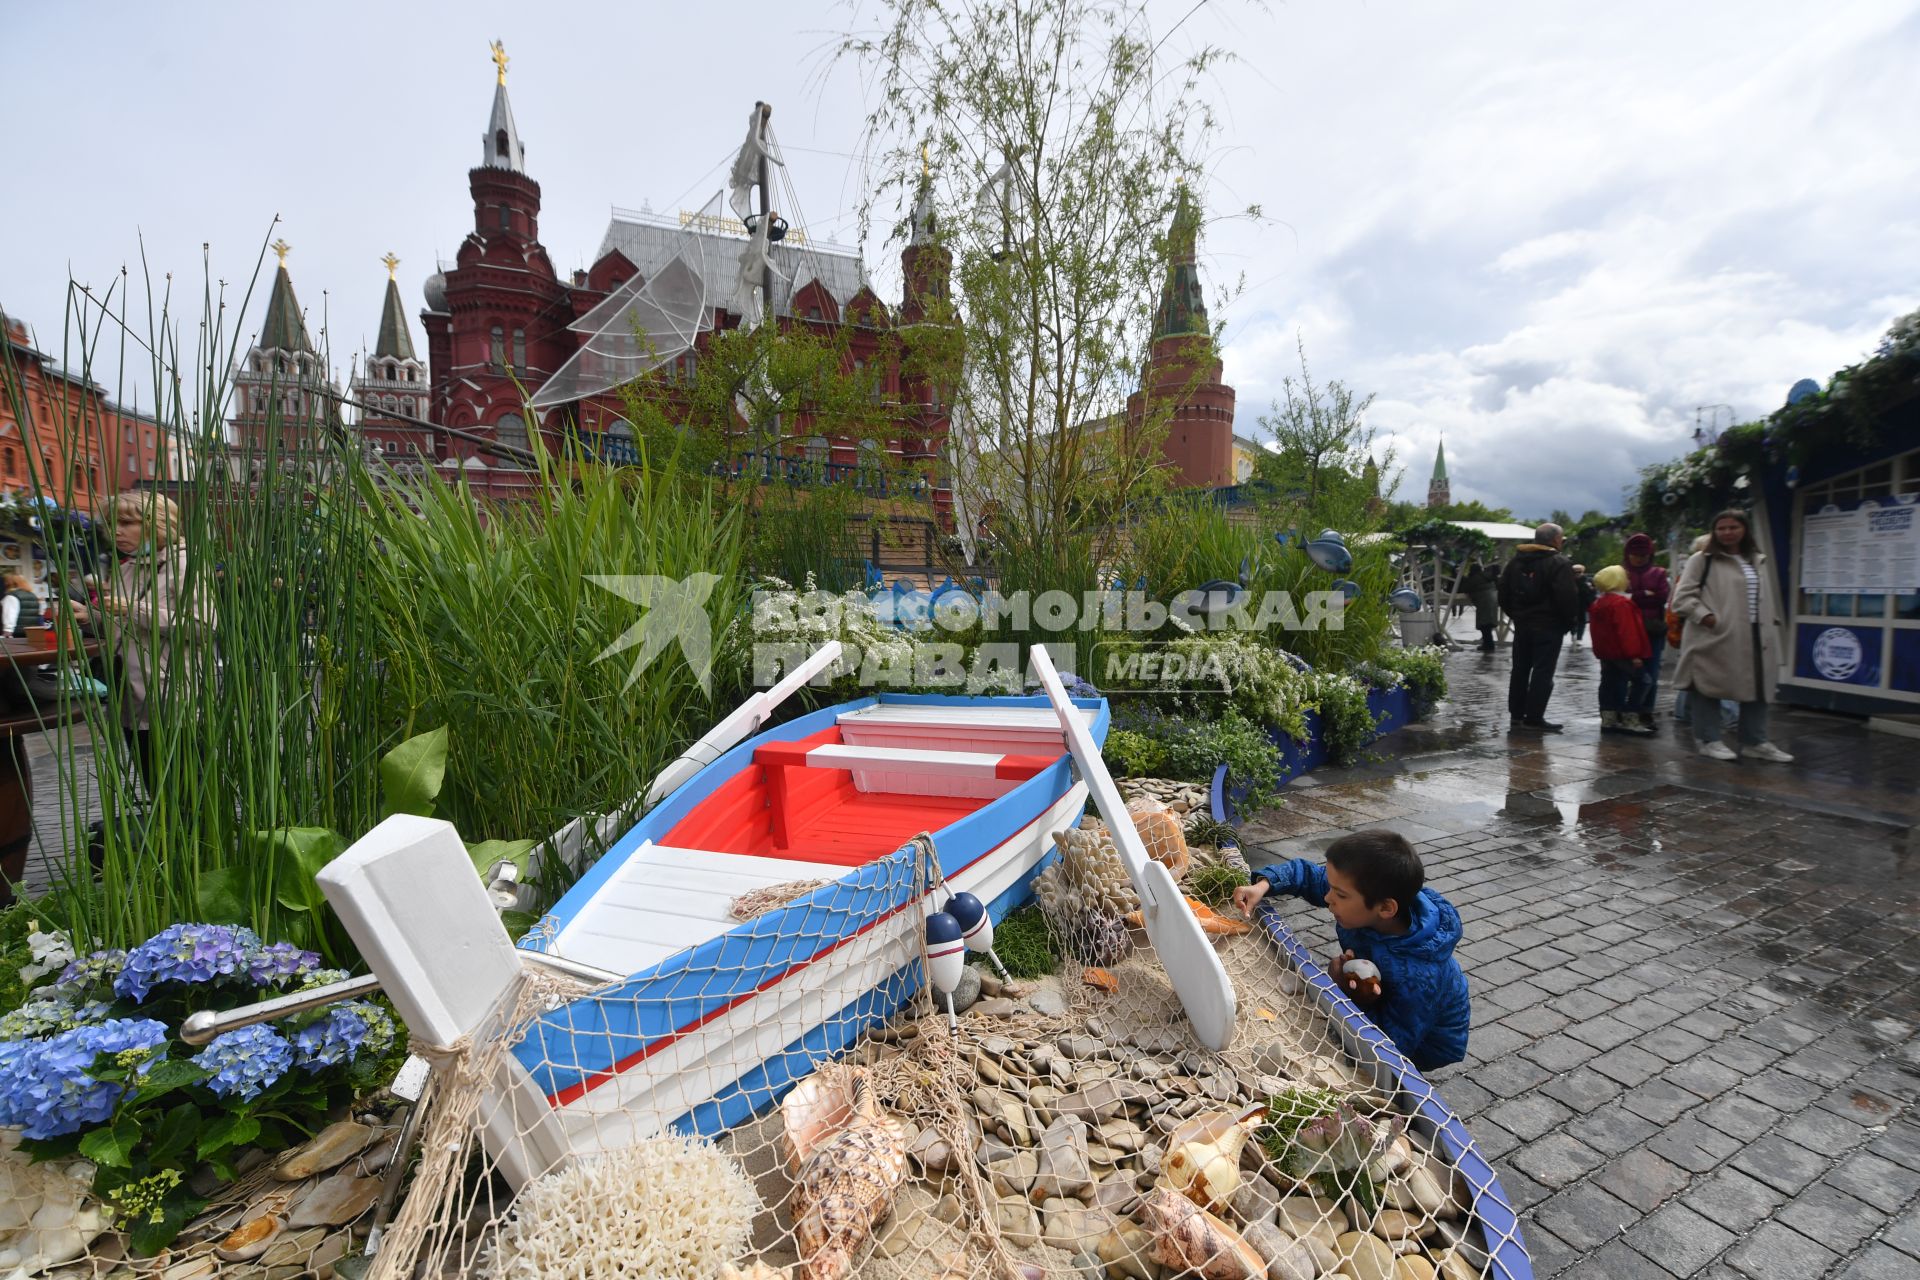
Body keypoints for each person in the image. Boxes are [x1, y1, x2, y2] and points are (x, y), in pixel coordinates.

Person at [1233, 830, 1470, 1071]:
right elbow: (1308, 875)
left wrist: (1349, 994)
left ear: (1386, 908)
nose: (1327, 897)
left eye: (1340, 895)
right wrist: (1264, 885)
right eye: (1331, 888)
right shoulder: (1367, 895)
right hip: (1387, 988)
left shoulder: (1420, 979)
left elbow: (1393, 1048)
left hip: (1428, 1039)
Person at [96, 493, 212, 791]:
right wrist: (88, 617)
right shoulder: (125, 567)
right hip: (129, 697)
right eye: (111, 524)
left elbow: (202, 626)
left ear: (155, 523)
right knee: (154, 785)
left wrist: (133, 609)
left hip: (169, 699)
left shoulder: (185, 565)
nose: (116, 531)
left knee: (183, 790)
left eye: (126, 523)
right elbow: (121, 626)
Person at [1671, 509, 1791, 763]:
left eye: (1733, 527)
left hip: (1756, 636)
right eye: (1721, 528)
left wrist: (1771, 620)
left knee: (1758, 688)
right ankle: (1708, 739)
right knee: (1708, 686)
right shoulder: (1702, 560)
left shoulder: (1756, 560)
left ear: (1745, 529)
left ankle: (1755, 741)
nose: (1727, 533)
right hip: (1716, 635)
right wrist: (1708, 618)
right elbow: (1681, 599)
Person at [1498, 522, 1581, 732]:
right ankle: (1534, 718)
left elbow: (1503, 594)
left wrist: (1516, 615)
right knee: (1543, 672)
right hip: (1549, 626)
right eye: (1561, 539)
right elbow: (1566, 597)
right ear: (1555, 540)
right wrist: (1568, 622)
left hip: (1523, 625)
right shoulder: (1558, 563)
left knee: (1520, 670)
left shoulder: (1515, 562)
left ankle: (1516, 715)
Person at [1589, 566, 1654, 734]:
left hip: (1607, 653)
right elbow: (1627, 632)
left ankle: (1608, 718)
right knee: (1643, 681)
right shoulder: (1622, 604)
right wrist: (1634, 655)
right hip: (1623, 654)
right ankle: (1630, 718)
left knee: (1608, 683)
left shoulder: (1598, 603)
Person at [1623, 533, 1671, 732]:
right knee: (1626, 672)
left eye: (1643, 554)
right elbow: (1621, 598)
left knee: (1651, 671)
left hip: (1652, 630)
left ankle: (1645, 711)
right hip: (1627, 630)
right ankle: (1627, 710)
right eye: (1635, 554)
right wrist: (1644, 594)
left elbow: (1662, 597)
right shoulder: (1622, 572)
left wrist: (1636, 597)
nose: (1639, 558)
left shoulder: (1658, 573)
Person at [1459, 560, 1501, 651]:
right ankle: (1488, 644)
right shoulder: (1487, 576)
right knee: (1488, 624)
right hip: (1493, 600)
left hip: (1483, 601)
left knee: (1485, 625)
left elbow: (1465, 588)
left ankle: (1489, 646)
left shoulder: (1474, 578)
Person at [1567, 564, 1597, 646]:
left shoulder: (1587, 581)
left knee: (1582, 622)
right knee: (1573, 621)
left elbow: (1592, 592)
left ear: (1583, 572)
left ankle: (1579, 638)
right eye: (1575, 572)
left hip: (1583, 604)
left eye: (1579, 572)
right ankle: (1573, 635)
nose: (1577, 573)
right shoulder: (1569, 580)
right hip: (1572, 604)